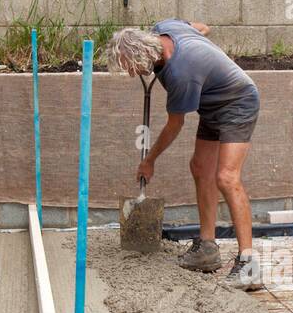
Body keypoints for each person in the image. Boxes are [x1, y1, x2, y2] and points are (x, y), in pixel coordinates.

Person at [106, 21, 263, 290]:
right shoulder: (164, 27)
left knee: (226, 177)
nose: (132, 74)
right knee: (200, 167)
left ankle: (249, 264)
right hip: (211, 103)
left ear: (143, 54)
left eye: (130, 66)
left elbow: (174, 125)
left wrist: (149, 160)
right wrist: (200, 42)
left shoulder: (180, 74)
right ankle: (207, 249)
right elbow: (202, 27)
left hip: (238, 102)